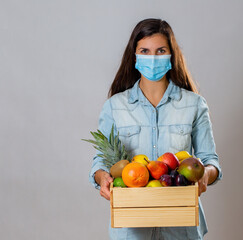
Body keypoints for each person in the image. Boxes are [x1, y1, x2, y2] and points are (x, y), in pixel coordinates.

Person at [89, 18, 222, 240]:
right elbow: (101, 163)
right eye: (145, 51)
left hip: (182, 230)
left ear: (171, 56)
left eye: (161, 51)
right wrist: (102, 177)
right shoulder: (115, 106)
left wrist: (205, 175)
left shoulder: (194, 104)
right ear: (134, 56)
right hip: (131, 230)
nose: (152, 58)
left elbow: (211, 161)